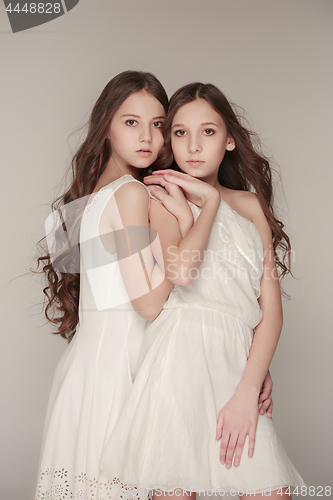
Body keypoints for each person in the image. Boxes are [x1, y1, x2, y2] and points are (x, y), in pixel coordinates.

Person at [99, 83, 306, 499]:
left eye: (208, 132)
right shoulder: (160, 196)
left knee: (269, 489)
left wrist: (249, 387)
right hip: (177, 361)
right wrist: (206, 203)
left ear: (229, 140)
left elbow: (271, 311)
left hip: (237, 366)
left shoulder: (250, 206)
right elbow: (181, 273)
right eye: (179, 132)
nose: (193, 145)